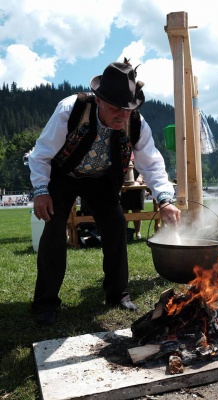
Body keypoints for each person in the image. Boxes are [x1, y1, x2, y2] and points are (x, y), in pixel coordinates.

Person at [29, 60, 181, 325]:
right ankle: (45, 302)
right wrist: (42, 190)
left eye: (127, 108)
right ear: (99, 100)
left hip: (100, 179)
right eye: (115, 108)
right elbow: (41, 154)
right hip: (63, 175)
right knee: (53, 230)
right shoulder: (70, 110)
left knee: (116, 225)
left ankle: (117, 294)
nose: (121, 115)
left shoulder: (136, 123)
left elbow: (151, 162)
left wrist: (165, 199)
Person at [120, 156, 145, 239]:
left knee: (137, 210)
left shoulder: (140, 152)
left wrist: (140, 178)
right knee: (124, 210)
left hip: (138, 185)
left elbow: (144, 166)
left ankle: (138, 233)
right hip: (124, 185)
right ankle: (125, 232)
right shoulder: (123, 150)